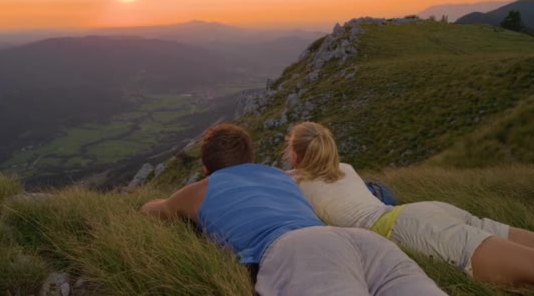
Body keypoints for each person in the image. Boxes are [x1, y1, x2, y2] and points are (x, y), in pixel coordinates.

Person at [141, 123, 446, 296]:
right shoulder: (278, 175)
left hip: (303, 251)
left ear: (207, 167)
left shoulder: (200, 189)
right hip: (360, 241)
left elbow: (151, 210)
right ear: (251, 158)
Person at [286, 121, 534, 290]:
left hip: (410, 231)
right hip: (423, 211)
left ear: (295, 155)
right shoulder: (345, 169)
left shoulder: (298, 188)